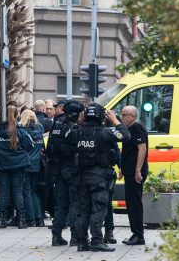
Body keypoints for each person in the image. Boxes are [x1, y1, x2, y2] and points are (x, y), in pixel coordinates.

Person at [72, 103, 130, 252]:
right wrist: (116, 120)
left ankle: (82, 242)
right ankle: (97, 241)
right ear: (100, 116)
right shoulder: (104, 133)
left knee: (83, 209)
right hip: (99, 177)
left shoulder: (77, 132)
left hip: (81, 176)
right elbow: (126, 136)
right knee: (98, 209)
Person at [46, 100, 85, 246]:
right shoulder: (74, 127)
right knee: (75, 202)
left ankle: (56, 236)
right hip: (72, 169)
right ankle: (75, 236)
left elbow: (49, 147)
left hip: (57, 168)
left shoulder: (56, 124)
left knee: (61, 203)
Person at [0, 105, 33, 229]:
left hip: (2, 165)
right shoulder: (21, 130)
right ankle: (21, 220)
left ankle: (1, 220)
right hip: (18, 165)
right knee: (17, 191)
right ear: (17, 116)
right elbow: (29, 145)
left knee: (4, 192)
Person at [119, 105, 148, 245]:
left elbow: (142, 148)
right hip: (129, 171)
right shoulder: (128, 129)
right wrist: (122, 168)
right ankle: (135, 233)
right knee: (131, 203)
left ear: (133, 116)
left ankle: (138, 235)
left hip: (135, 172)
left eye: (124, 115)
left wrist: (138, 170)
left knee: (134, 203)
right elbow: (127, 151)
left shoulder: (137, 127)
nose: (122, 117)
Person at [20, 109, 45, 227]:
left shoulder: (25, 132)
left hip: (26, 164)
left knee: (26, 191)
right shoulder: (40, 130)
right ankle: (39, 218)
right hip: (37, 165)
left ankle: (31, 219)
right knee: (34, 191)